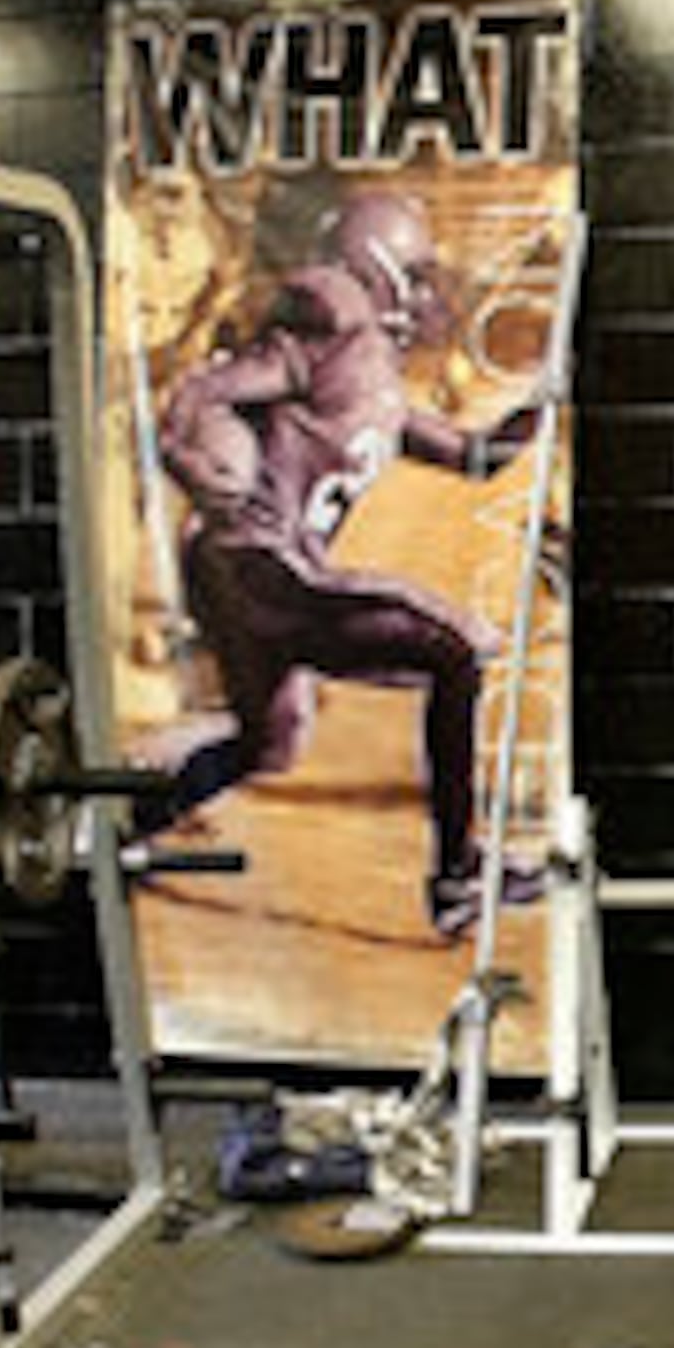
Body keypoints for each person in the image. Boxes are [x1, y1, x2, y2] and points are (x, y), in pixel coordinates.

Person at [156, 187, 550, 941]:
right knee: (454, 652)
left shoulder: (376, 383)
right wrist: (192, 453)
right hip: (260, 565)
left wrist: (543, 399)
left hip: (252, 577)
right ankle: (458, 877)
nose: (426, 294)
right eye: (415, 273)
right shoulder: (333, 315)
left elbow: (475, 458)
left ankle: (125, 821)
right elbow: (209, 387)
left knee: (269, 743)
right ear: (376, 266)